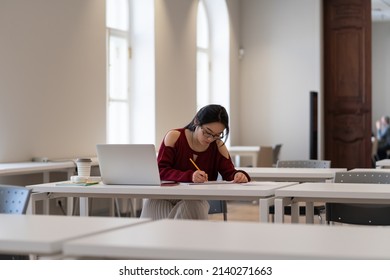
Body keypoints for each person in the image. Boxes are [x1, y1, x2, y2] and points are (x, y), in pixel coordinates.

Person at [140, 104, 251, 220]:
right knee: (154, 204)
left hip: (194, 198)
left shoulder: (218, 146)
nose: (210, 139)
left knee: (193, 205)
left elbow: (229, 173)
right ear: (197, 121)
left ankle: (168, 236)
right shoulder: (174, 137)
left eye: (217, 135)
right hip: (164, 195)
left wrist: (239, 175)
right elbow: (160, 170)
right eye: (207, 132)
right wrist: (190, 176)